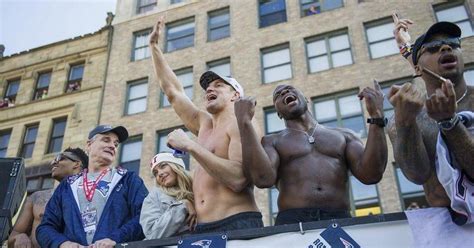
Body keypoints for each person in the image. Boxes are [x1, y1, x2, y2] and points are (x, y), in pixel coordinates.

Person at [149, 17, 263, 234]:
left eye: (219, 85)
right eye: (208, 86)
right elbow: (173, 92)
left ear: (235, 94)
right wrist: (154, 47)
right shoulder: (204, 123)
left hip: (236, 223)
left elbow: (238, 179)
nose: (210, 88)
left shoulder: (243, 123)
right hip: (201, 228)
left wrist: (190, 146)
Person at [234, 82, 388, 225]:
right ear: (278, 114)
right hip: (292, 221)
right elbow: (263, 179)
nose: (284, 92)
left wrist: (376, 117)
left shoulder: (345, 135)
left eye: (289, 89)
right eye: (278, 95)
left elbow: (371, 175)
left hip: (338, 218)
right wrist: (244, 122)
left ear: (306, 99)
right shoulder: (272, 141)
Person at [389, 16, 474, 224]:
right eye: (433, 47)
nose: (446, 47)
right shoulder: (407, 113)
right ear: (417, 69)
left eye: (454, 44)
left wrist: (449, 123)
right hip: (449, 228)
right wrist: (405, 122)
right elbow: (416, 174)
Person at [36, 125, 148, 247]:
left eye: (115, 144)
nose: (112, 146)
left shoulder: (128, 179)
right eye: (106, 140)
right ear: (89, 144)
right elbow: (45, 227)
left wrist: (114, 239)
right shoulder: (67, 186)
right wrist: (63, 243)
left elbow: (145, 216)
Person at [8, 148, 88, 248]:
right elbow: (13, 236)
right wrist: (19, 237)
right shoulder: (37, 197)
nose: (53, 162)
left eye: (60, 158)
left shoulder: (94, 197)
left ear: (76, 164)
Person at [140, 153, 196, 239]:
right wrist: (183, 206)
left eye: (163, 166)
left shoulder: (197, 187)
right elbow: (152, 233)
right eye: (155, 173)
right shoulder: (153, 197)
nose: (159, 174)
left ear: (175, 165)